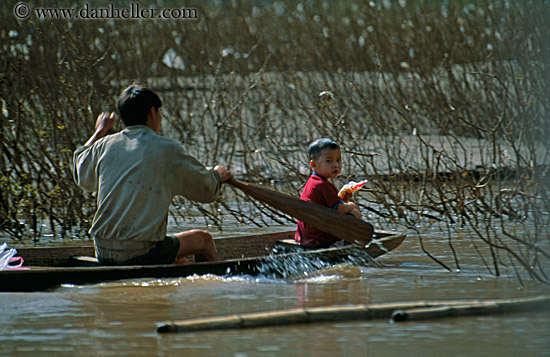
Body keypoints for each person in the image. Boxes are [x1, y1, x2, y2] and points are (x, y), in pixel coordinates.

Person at [72, 84, 233, 265]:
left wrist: (100, 131)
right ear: (152, 112)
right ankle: (220, 285)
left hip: (103, 250)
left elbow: (80, 169)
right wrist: (218, 175)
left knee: (178, 259)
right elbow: (206, 191)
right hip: (141, 251)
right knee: (203, 240)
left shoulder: (104, 145)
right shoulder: (167, 149)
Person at [294, 138, 362, 248]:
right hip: (318, 237)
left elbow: (329, 208)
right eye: (329, 161)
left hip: (307, 235)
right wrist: (351, 205)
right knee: (355, 214)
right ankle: (349, 248)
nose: (335, 165)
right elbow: (339, 209)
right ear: (314, 165)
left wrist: (343, 199)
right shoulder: (323, 185)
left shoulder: (313, 182)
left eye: (338, 160)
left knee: (351, 211)